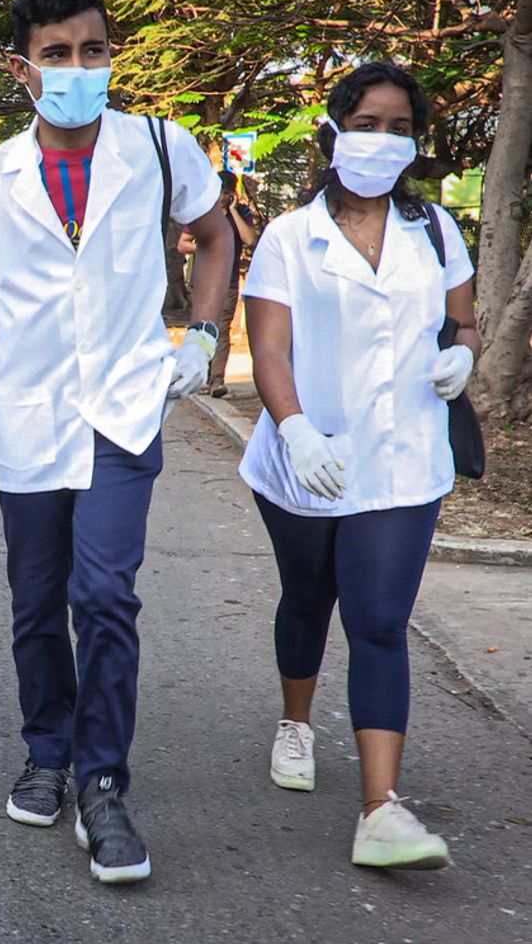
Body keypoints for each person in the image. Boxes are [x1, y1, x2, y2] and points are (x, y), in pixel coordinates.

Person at [0, 0, 233, 885]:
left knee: (104, 596)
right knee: (35, 603)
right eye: (56, 55)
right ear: (21, 69)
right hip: (27, 413)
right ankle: (46, 754)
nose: (76, 69)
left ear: (110, 56)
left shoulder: (160, 145)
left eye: (92, 51)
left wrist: (206, 335)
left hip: (124, 406)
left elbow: (217, 238)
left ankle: (102, 779)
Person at [240, 62, 477, 870]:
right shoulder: (286, 235)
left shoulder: (439, 231)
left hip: (406, 457)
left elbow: (464, 322)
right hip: (307, 453)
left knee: (378, 622)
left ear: (416, 143)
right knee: (308, 600)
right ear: (335, 131)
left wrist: (465, 361)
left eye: (400, 127)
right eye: (368, 123)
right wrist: (297, 430)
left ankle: (381, 808)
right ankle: (296, 722)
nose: (384, 139)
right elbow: (269, 345)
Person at [178, 171, 258, 397]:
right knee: (201, 326)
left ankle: (217, 380)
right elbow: (183, 244)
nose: (221, 197)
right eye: (219, 192)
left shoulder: (240, 213)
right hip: (201, 280)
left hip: (228, 281)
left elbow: (250, 239)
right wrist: (209, 247)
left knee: (222, 329)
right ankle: (201, 374)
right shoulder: (204, 212)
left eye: (225, 194)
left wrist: (233, 212)